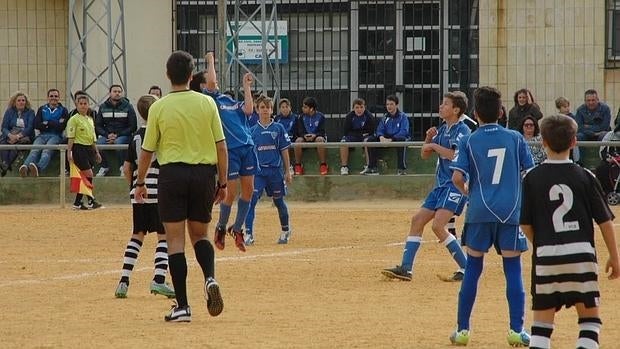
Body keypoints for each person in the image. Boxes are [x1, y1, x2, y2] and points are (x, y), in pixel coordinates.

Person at [135, 50, 228, 322]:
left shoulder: (159, 108)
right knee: (200, 235)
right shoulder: (206, 103)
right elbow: (221, 147)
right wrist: (222, 182)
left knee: (175, 242)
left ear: (167, 75)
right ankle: (210, 277)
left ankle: (183, 307)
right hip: (203, 175)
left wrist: (140, 182)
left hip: (172, 176)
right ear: (191, 75)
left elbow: (146, 151)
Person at [521, 114, 620, 349]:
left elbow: (524, 224)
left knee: (541, 328)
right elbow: (605, 222)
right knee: (589, 321)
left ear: (542, 142)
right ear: (574, 142)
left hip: (546, 257)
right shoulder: (586, 176)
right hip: (581, 257)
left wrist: (542, 243)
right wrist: (615, 257)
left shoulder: (531, 178)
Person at [449, 86, 534, 347]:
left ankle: (462, 331)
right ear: (500, 112)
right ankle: (516, 331)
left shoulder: (469, 140)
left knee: (473, 269)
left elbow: (456, 178)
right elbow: (529, 174)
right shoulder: (515, 138)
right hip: (510, 212)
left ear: (475, 112)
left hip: (479, 212)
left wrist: (470, 194)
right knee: (513, 271)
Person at [381, 91, 469, 282]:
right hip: (440, 186)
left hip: (455, 184)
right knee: (417, 220)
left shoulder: (462, 131)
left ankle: (467, 266)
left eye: (445, 104)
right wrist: (429, 140)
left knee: (438, 225)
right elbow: (424, 154)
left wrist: (434, 147)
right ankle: (406, 268)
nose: (441, 107)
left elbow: (454, 155)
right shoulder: (443, 129)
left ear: (456, 110)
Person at [114, 94, 175, 299]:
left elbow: (126, 167)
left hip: (138, 189)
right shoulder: (161, 133)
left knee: (137, 234)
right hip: (157, 188)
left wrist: (133, 186)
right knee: (164, 235)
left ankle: (123, 281)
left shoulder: (135, 136)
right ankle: (158, 280)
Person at [202, 52, 256, 253]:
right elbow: (212, 82)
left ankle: (238, 228)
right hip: (231, 150)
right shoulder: (213, 100)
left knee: (249, 190)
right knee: (231, 192)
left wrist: (246, 86)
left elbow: (249, 110)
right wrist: (210, 61)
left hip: (247, 147)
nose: (213, 84)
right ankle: (221, 226)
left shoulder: (233, 103)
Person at [244, 95, 293, 245]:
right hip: (258, 173)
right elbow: (249, 153)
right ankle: (249, 234)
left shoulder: (278, 128)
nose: (265, 110)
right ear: (257, 110)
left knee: (279, 201)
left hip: (275, 172)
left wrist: (287, 170)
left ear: (272, 110)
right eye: (262, 108)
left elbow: (284, 151)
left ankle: (285, 231)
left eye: (268, 108)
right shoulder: (252, 131)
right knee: (251, 201)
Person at [20, 88, 69, 177]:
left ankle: (38, 168)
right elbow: (37, 125)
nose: (53, 98)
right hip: (42, 135)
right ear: (47, 97)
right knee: (34, 150)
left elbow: (61, 126)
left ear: (59, 98)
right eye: (51, 96)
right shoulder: (42, 109)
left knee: (46, 151)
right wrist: (55, 122)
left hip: (56, 136)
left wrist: (47, 123)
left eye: (56, 96)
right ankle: (25, 168)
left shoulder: (63, 110)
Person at [66, 95, 103, 210]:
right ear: (76, 106)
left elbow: (93, 138)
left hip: (88, 149)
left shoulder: (90, 120)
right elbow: (71, 137)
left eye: (85, 103)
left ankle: (78, 202)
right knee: (88, 174)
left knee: (85, 176)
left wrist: (96, 152)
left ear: (88, 105)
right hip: (79, 148)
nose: (83, 106)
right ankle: (91, 200)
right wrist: (69, 152)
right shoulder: (74, 119)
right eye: (80, 104)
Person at [95, 84, 137, 176]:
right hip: (107, 135)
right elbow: (98, 125)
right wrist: (107, 135)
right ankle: (104, 166)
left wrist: (117, 135)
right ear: (110, 93)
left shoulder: (128, 106)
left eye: (119, 92)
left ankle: (122, 167)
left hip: (123, 135)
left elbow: (133, 126)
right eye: (115, 91)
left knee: (119, 143)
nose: (117, 93)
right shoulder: (103, 107)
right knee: (98, 144)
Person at [364, 95, 410, 175]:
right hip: (385, 139)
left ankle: (401, 169)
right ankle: (372, 168)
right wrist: (381, 137)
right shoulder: (385, 117)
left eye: (391, 104)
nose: (389, 106)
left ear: (396, 105)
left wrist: (392, 139)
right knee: (371, 140)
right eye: (387, 104)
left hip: (397, 138)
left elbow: (404, 131)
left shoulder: (403, 117)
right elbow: (379, 130)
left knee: (402, 140)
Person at [0, 92, 35, 177]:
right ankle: (6, 164)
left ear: (26, 102)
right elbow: (4, 127)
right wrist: (10, 135)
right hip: (10, 135)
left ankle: (5, 166)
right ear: (14, 102)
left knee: (16, 146)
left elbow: (30, 128)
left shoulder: (30, 112)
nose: (21, 102)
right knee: (3, 143)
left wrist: (17, 136)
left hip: (24, 136)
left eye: (23, 100)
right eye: (19, 100)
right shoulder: (9, 112)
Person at [339, 98, 376, 175]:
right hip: (353, 136)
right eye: (357, 107)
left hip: (365, 136)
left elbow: (371, 131)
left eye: (361, 107)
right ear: (353, 108)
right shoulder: (349, 116)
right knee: (343, 142)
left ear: (364, 107)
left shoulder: (369, 116)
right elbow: (346, 132)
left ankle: (368, 166)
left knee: (367, 142)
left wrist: (362, 134)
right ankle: (344, 167)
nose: (359, 110)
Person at [574, 89, 612, 164]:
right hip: (586, 135)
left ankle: (602, 162)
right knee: (578, 136)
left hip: (600, 135)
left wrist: (588, 127)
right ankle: (581, 163)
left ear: (598, 100)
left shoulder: (605, 109)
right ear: (585, 101)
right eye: (588, 100)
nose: (591, 102)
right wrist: (594, 133)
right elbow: (579, 127)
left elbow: (604, 127)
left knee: (603, 135)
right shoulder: (580, 110)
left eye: (593, 100)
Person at [293, 97, 328, 175]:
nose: (302, 108)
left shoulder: (321, 116)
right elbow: (299, 131)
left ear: (311, 109)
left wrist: (315, 135)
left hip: (317, 137)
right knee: (298, 141)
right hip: (305, 137)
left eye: (305, 107)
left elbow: (322, 131)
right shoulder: (301, 117)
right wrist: (304, 135)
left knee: (320, 140)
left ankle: (323, 164)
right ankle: (298, 165)